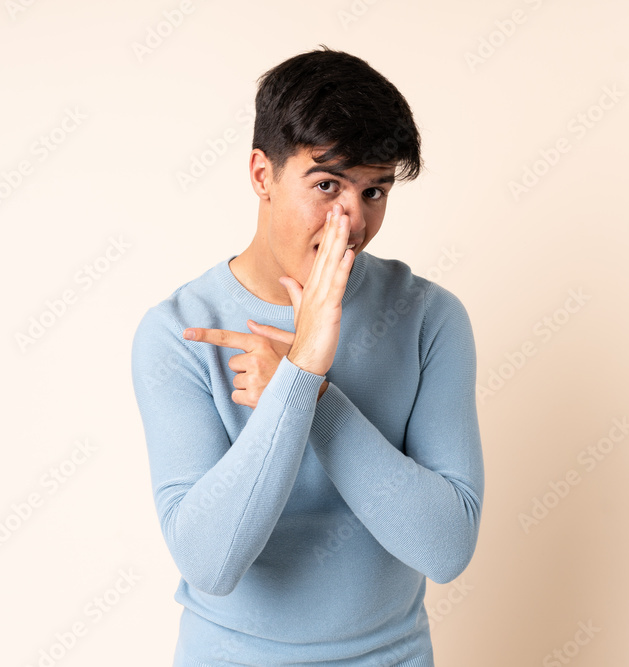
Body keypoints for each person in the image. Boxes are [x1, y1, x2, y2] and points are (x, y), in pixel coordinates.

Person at [131, 45, 484, 666]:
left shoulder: (429, 317)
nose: (352, 221)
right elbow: (210, 563)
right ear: (261, 175)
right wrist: (300, 373)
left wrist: (309, 390)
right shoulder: (181, 332)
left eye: (374, 191)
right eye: (327, 185)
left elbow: (446, 547)